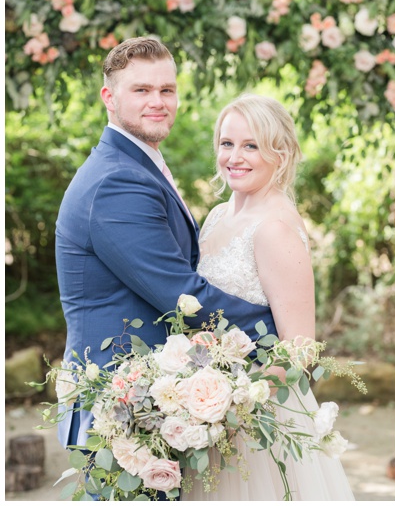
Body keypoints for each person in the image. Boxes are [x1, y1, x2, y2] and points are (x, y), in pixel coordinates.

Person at [55, 37, 278, 452]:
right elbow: (181, 294)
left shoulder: (137, 163)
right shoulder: (115, 182)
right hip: (120, 413)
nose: (157, 101)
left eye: (166, 90)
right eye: (141, 90)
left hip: (152, 408)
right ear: (110, 97)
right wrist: (278, 333)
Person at [182, 94, 354, 500]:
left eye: (251, 145)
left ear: (280, 153)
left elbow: (299, 350)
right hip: (205, 413)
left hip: (258, 418)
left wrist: (236, 403)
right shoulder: (218, 215)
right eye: (227, 144)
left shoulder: (275, 227)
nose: (234, 157)